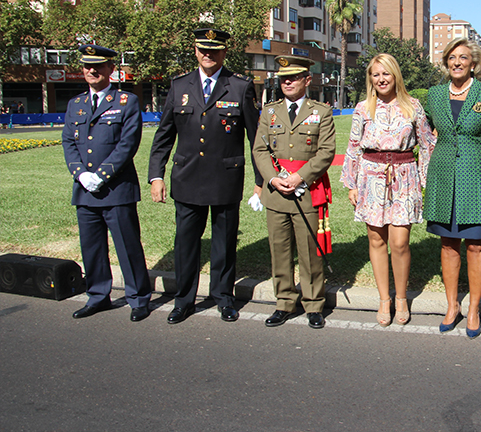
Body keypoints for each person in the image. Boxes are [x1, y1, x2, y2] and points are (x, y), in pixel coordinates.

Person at [148, 28, 262, 324]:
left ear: (224, 52)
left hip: (225, 177)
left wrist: (260, 182)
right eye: (203, 49)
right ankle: (183, 300)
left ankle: (223, 297)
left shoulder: (239, 86)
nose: (208, 55)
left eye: (214, 50)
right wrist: (155, 176)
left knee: (224, 243)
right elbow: (163, 136)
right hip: (187, 178)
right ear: (195, 51)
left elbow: (256, 139)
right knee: (186, 243)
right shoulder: (178, 85)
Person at [340, 54, 436, 326]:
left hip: (405, 176)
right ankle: (384, 299)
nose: (381, 79)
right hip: (371, 177)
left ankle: (402, 297)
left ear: (396, 76)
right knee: (376, 240)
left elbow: (427, 145)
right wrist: (352, 184)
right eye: (375, 74)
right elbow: (354, 146)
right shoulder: (362, 108)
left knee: (400, 242)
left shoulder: (413, 106)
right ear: (370, 78)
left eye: (386, 74)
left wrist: (426, 183)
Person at [62, 44, 152, 321]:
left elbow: (127, 144)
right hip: (85, 190)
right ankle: (98, 296)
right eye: (88, 66)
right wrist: (80, 174)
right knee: (92, 248)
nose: (92, 71)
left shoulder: (126, 101)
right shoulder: (75, 104)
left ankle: (138, 298)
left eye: (98, 66)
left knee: (128, 246)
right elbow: (68, 142)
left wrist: (100, 175)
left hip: (117, 189)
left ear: (111, 69)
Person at [424, 38, 481, 339]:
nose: (457, 62)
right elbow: (424, 132)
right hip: (443, 177)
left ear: (474, 63)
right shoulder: (433, 95)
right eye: (452, 58)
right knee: (447, 244)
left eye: (464, 57)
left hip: (478, 178)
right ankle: (451, 306)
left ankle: (473, 309)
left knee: (476, 245)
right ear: (446, 62)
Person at [253, 55, 335, 330]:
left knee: (309, 250)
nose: (287, 82)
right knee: (280, 250)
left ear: (307, 80)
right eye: (283, 78)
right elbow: (260, 150)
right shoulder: (269, 112)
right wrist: (273, 179)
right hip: (276, 192)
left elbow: (326, 153)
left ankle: (313, 304)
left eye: (294, 77)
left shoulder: (321, 112)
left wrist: (300, 176)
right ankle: (284, 302)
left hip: (307, 191)